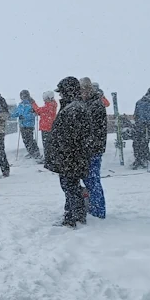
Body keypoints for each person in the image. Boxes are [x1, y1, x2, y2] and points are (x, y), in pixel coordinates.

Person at [45, 77, 91, 228]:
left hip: (70, 157)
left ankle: (75, 217)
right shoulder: (71, 106)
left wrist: (63, 153)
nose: (60, 96)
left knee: (70, 187)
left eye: (62, 92)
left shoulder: (74, 108)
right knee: (69, 186)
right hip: (69, 156)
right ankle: (71, 214)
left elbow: (72, 136)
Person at [80, 78, 108, 219]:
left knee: (92, 179)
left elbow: (95, 129)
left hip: (93, 149)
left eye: (83, 90)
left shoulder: (95, 105)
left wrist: (89, 144)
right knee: (90, 179)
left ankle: (98, 210)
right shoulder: (89, 103)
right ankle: (94, 207)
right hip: (90, 148)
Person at [131, 88, 150, 169]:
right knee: (144, 142)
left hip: (140, 125)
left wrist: (139, 122)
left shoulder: (140, 102)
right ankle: (144, 159)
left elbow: (136, 114)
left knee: (138, 142)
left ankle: (138, 158)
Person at [11, 90, 42, 160]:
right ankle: (31, 152)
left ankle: (36, 153)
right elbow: (17, 113)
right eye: (21, 96)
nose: (22, 97)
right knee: (25, 140)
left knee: (30, 140)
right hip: (22, 125)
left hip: (29, 125)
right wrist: (10, 115)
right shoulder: (21, 104)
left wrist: (24, 117)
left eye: (23, 96)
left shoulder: (32, 104)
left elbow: (34, 114)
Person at [31, 91, 58, 160]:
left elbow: (38, 110)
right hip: (50, 127)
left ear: (49, 98)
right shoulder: (53, 105)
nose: (44, 99)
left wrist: (33, 103)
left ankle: (48, 159)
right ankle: (50, 158)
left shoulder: (48, 106)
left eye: (45, 98)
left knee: (46, 145)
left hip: (46, 127)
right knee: (49, 144)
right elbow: (42, 112)